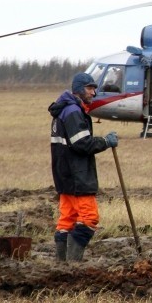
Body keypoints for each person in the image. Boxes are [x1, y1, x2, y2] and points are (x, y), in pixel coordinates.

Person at [49, 72, 118, 262]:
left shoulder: (63, 110)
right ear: (79, 89)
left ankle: (61, 266)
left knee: (67, 219)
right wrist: (105, 142)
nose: (94, 93)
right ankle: (73, 265)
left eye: (94, 88)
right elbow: (81, 144)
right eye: (90, 88)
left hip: (64, 174)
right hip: (77, 175)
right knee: (89, 219)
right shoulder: (72, 112)